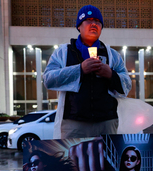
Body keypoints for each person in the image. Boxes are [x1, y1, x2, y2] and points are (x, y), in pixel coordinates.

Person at [43, 5, 131, 139]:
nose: (94, 24)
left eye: (97, 21)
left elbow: (127, 85)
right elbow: (48, 79)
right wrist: (80, 70)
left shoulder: (112, 54)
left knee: (107, 159)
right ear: (79, 26)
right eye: (89, 20)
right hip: (74, 124)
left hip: (107, 123)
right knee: (73, 159)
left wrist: (110, 74)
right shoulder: (64, 52)